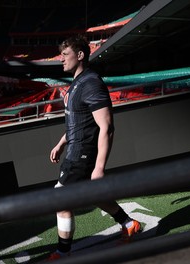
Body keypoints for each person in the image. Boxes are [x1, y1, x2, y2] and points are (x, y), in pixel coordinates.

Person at [47, 35, 142, 260]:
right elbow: (79, 120)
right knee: (92, 193)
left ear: (80, 55)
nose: (61, 60)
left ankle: (63, 252)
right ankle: (129, 223)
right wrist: (62, 142)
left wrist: (99, 167)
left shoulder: (90, 82)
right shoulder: (78, 82)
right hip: (74, 148)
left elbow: (106, 126)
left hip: (83, 152)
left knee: (60, 198)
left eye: (65, 55)